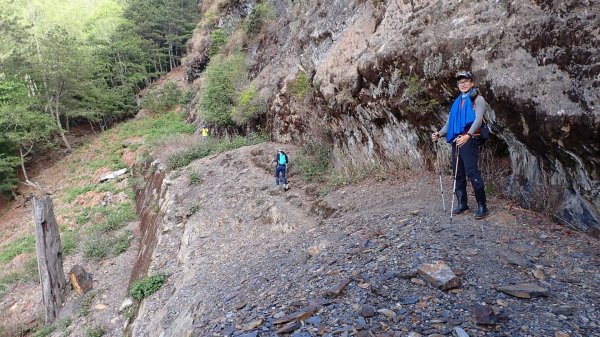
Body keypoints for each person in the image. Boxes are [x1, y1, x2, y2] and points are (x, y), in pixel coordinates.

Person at [431, 70, 488, 219]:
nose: (462, 84)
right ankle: (462, 203)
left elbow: (477, 120)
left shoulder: (478, 99)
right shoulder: (457, 101)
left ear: (472, 83)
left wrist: (468, 136)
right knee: (458, 173)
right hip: (457, 141)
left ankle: (482, 206)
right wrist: (439, 133)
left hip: (470, 140)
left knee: (472, 172)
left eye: (465, 81)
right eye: (460, 82)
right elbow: (450, 123)